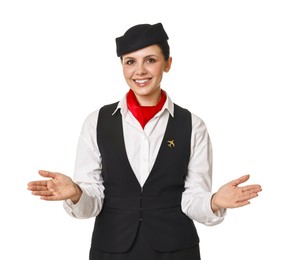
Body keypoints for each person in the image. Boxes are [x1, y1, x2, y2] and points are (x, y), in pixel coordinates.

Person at [27, 22, 262, 260]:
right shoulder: (96, 122)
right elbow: (93, 200)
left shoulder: (193, 125)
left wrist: (214, 201)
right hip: (111, 250)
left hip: (176, 251)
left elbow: (192, 198)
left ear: (168, 64)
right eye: (130, 62)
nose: (140, 71)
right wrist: (76, 192)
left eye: (150, 60)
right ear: (122, 66)